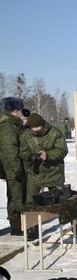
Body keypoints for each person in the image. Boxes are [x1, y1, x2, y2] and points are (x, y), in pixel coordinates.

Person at [19, 113, 68, 239]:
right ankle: (32, 230)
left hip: (53, 172)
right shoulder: (26, 135)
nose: (34, 130)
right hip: (34, 173)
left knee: (60, 201)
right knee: (31, 202)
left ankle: (70, 224)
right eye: (32, 127)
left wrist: (48, 155)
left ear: (42, 124)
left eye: (37, 127)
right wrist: (30, 156)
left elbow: (62, 150)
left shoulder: (54, 133)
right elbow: (23, 151)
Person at [0, 97, 26, 236]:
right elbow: (10, 150)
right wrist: (17, 169)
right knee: (16, 198)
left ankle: (20, 224)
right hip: (13, 169)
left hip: (17, 167)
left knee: (18, 196)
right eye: (20, 110)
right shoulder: (7, 126)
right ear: (15, 110)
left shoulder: (14, 124)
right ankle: (16, 226)